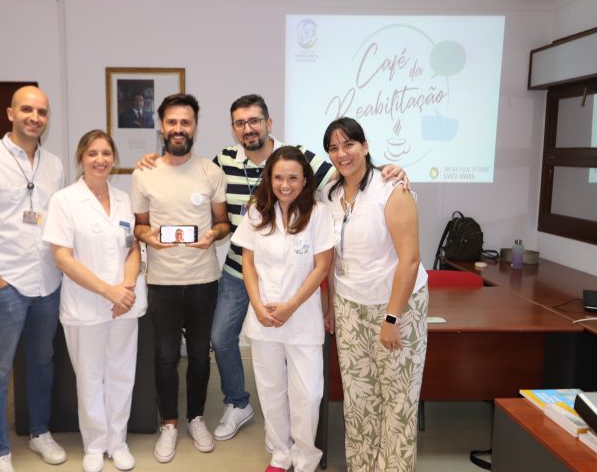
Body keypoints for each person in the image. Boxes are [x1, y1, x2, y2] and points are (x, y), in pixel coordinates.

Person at [136, 94, 407, 443]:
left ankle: (294, 418)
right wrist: (151, 160)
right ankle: (238, 403)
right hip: (239, 269)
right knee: (221, 337)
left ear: (269, 123)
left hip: (289, 272)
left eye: (254, 121)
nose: (248, 128)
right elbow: (189, 175)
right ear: (233, 128)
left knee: (288, 350)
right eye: (240, 123)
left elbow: (345, 170)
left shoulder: (296, 157)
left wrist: (386, 170)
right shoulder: (222, 162)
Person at [0, 86, 67, 472]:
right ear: (10, 113)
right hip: (5, 283)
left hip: (47, 282)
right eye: (27, 110)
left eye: (42, 112)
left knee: (42, 361)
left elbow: (57, 220)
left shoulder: (54, 165)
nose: (35, 117)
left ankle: (39, 432)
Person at [322, 118, 428, 472]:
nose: (342, 153)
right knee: (359, 400)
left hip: (396, 305)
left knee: (397, 401)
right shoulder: (331, 194)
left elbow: (410, 260)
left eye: (348, 144)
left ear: (365, 146)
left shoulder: (392, 189)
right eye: (334, 148)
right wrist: (331, 307)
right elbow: (334, 258)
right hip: (350, 306)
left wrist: (392, 318)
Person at [131, 93, 230, 463]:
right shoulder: (144, 173)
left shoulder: (210, 172)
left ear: (195, 127)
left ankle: (196, 418)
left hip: (203, 280)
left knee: (201, 356)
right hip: (162, 282)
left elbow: (223, 223)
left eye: (185, 122)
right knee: (165, 356)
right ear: (161, 126)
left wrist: (213, 235)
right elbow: (139, 227)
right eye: (172, 122)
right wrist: (150, 237)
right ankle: (169, 424)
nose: (178, 128)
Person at [42, 130, 146, 472]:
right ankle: (95, 445)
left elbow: (133, 247)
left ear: (114, 159)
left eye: (106, 153)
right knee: (89, 379)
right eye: (92, 153)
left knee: (121, 375)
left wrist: (125, 289)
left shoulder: (123, 199)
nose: (100, 160)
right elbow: (62, 258)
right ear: (81, 159)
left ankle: (118, 442)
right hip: (85, 306)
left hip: (124, 305)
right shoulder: (65, 201)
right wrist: (108, 291)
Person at [231, 146, 334, 472]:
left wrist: (290, 306)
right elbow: (248, 264)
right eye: (278, 177)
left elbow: (322, 266)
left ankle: (305, 457)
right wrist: (257, 305)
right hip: (264, 317)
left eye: (292, 178)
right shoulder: (257, 211)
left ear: (305, 180)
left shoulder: (318, 213)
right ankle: (280, 453)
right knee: (271, 390)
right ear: (269, 178)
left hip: (302, 318)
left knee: (308, 393)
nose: (285, 185)